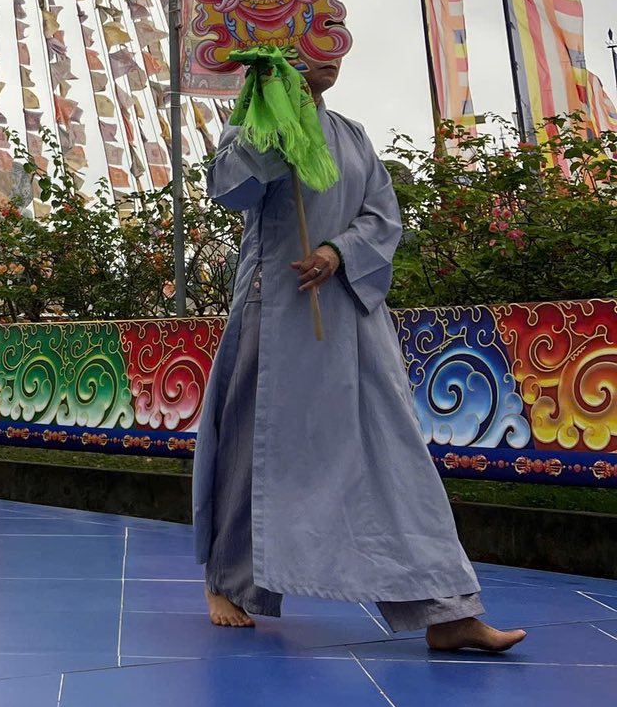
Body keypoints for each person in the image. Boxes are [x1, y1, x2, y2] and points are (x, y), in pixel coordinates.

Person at [193, 54, 525, 654]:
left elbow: (382, 215)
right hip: (275, 309)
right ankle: (228, 582)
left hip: (350, 311)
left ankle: (446, 608)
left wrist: (338, 252)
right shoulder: (253, 122)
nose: (330, 58)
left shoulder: (353, 136)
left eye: (336, 45)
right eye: (312, 47)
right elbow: (231, 190)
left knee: (394, 452)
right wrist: (276, 124)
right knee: (255, 449)